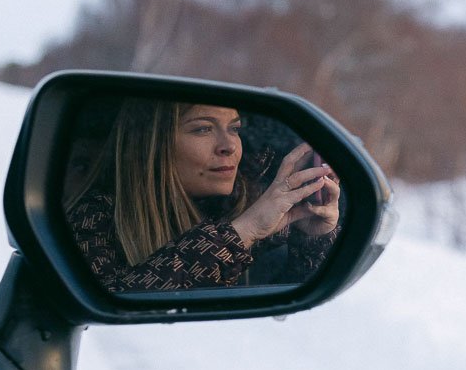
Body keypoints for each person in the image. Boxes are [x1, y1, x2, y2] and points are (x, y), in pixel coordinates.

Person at [66, 98, 339, 291]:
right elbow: (118, 300)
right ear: (150, 145)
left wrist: (312, 237)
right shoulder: (94, 220)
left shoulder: (248, 210)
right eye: (202, 129)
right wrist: (244, 232)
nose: (229, 145)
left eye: (234, 128)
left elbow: (293, 303)